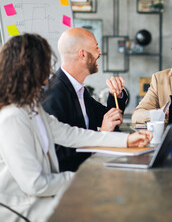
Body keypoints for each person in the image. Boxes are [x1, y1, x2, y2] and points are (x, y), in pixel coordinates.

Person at [0, 33, 152, 222]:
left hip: (44, 197)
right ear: (30, 69)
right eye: (45, 63)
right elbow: (35, 185)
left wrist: (127, 140)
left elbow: (71, 134)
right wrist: (87, 178)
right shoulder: (12, 117)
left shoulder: (32, 108)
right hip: (23, 207)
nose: (49, 70)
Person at [41, 28, 129, 172]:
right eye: (96, 47)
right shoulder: (54, 94)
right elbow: (58, 155)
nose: (100, 52)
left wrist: (116, 94)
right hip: (73, 181)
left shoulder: (79, 89)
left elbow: (109, 117)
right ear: (82, 54)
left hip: (91, 171)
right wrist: (101, 136)